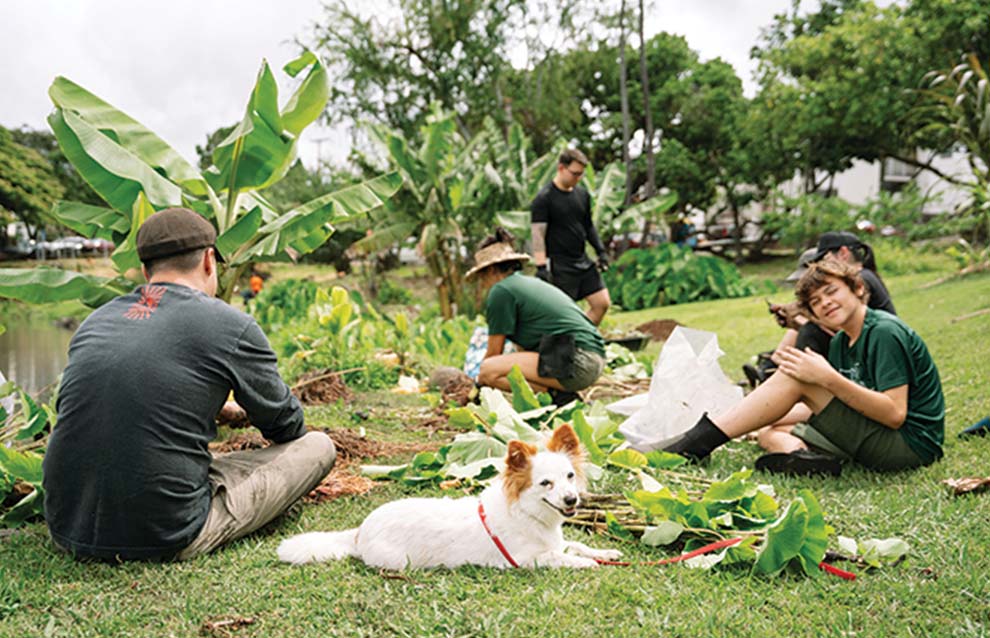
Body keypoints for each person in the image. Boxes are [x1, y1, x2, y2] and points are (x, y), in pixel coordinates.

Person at [43, 207, 336, 562]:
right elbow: (287, 426)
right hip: (165, 534)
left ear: (144, 270)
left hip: (67, 527)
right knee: (318, 446)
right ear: (210, 261)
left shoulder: (96, 321)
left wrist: (219, 409)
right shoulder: (230, 324)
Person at [665, 259, 944, 476]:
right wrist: (769, 413)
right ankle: (805, 458)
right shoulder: (841, 342)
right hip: (876, 431)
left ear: (858, 289)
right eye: (816, 302)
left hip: (910, 447)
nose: (826, 303)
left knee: (795, 376)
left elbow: (895, 414)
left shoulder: (883, 332)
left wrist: (827, 378)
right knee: (768, 429)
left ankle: (694, 445)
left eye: (831, 291)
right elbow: (821, 403)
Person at [466, 228, 606, 405]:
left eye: (482, 276)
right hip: (592, 359)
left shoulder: (501, 291)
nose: (482, 283)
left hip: (579, 362)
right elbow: (521, 351)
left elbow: (493, 354)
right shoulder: (526, 283)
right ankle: (561, 396)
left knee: (488, 370)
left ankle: (561, 398)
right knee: (501, 366)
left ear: (492, 270)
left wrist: (478, 387)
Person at [746, 232, 896, 386]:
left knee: (810, 331)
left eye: (823, 260)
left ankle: (780, 376)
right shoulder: (863, 275)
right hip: (860, 342)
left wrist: (802, 316)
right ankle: (775, 370)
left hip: (869, 346)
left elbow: (844, 326)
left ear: (843, 253)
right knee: (806, 330)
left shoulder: (861, 278)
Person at [530, 148, 611, 325]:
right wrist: (541, 267)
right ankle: (570, 345)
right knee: (565, 315)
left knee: (601, 303)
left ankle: (582, 340)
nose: (578, 178)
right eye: (575, 173)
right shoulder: (544, 198)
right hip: (560, 266)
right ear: (561, 168)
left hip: (582, 260)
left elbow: (588, 226)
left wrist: (601, 252)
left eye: (581, 174)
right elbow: (537, 234)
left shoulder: (582, 194)